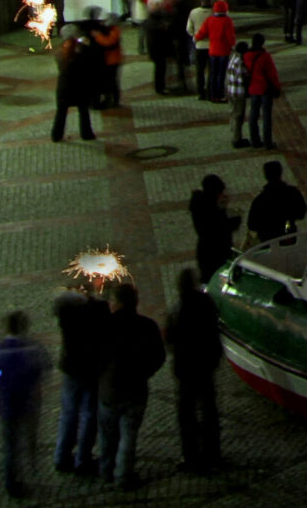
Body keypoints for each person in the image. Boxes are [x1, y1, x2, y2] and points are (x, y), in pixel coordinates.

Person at [97, 281, 164, 487]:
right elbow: (159, 357)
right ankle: (123, 475)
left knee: (107, 436)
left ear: (117, 303)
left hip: (109, 391)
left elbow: (95, 357)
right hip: (135, 390)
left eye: (111, 300)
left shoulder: (105, 327)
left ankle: (106, 472)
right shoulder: (147, 326)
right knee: (129, 436)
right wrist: (145, 373)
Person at [0, 311, 48, 499]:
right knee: (31, 441)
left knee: (10, 444)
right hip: (29, 403)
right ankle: (34, 472)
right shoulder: (33, 348)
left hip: (7, 404)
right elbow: (44, 369)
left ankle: (12, 483)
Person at [168, 267, 223, 473]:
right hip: (205, 364)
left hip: (185, 368)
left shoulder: (177, 308)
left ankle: (191, 457)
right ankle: (214, 454)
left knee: (187, 415)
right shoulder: (206, 302)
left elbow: (171, 338)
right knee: (209, 411)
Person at [53, 287, 112, 476]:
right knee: (89, 414)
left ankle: (61, 457)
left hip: (70, 369)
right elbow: (101, 311)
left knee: (68, 414)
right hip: (88, 371)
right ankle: (83, 460)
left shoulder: (65, 313)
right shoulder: (91, 312)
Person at [51, 21, 102, 143]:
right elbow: (92, 60)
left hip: (64, 87)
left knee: (61, 112)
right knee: (83, 111)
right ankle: (86, 133)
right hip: (79, 86)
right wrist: (87, 45)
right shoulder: (80, 52)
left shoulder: (60, 53)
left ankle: (56, 135)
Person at [246, 160, 307, 243]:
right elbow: (301, 213)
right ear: (280, 172)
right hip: (288, 231)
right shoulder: (292, 192)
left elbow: (252, 224)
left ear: (266, 175)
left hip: (268, 239)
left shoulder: (260, 200)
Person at [189, 173, 237, 278]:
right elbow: (221, 229)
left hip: (205, 252)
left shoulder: (200, 205)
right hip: (217, 253)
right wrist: (232, 218)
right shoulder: (211, 212)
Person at [237, 34, 280, 150]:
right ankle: (267, 142)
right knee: (266, 116)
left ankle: (255, 141)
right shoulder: (265, 56)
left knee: (253, 116)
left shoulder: (246, 55)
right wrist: (277, 87)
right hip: (265, 89)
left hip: (252, 88)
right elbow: (272, 74)